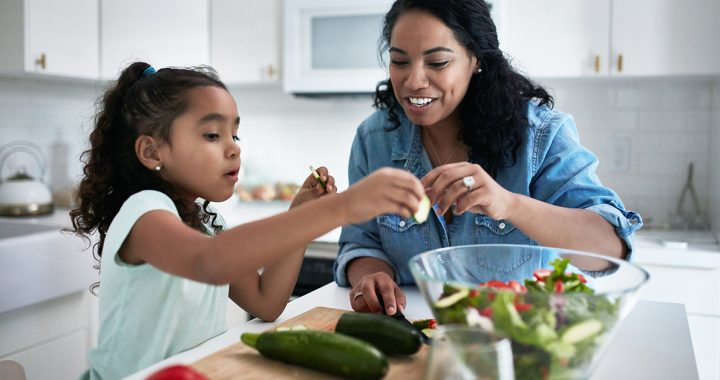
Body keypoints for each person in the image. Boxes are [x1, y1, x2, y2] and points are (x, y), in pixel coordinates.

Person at [69, 62, 426, 379]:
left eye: (234, 134)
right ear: (152, 151)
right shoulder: (144, 212)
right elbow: (208, 262)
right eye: (212, 135)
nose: (234, 147)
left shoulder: (208, 223)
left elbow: (266, 303)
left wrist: (300, 216)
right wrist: (341, 207)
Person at [334, 0, 643, 316]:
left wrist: (509, 204)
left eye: (437, 62)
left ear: (476, 60)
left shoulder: (540, 135)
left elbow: (610, 250)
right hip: (413, 337)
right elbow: (361, 243)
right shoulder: (374, 140)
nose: (413, 81)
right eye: (400, 61)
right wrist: (372, 275)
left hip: (520, 341)